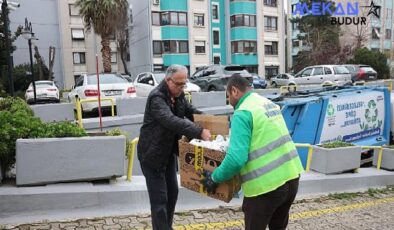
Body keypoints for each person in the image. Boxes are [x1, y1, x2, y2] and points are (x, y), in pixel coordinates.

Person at [201, 74, 304, 230]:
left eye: (228, 97)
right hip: (291, 178)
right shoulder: (267, 104)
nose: (230, 103)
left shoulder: (242, 112)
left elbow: (236, 159)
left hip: (266, 188)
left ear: (234, 91)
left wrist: (214, 178)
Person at [137, 64, 211, 230]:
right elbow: (171, 120)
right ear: (167, 79)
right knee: (160, 200)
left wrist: (211, 121)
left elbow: (190, 111)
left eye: (183, 84)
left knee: (172, 193)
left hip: (167, 153)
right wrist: (199, 132)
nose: (181, 88)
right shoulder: (157, 97)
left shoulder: (178, 95)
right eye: (178, 84)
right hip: (151, 156)